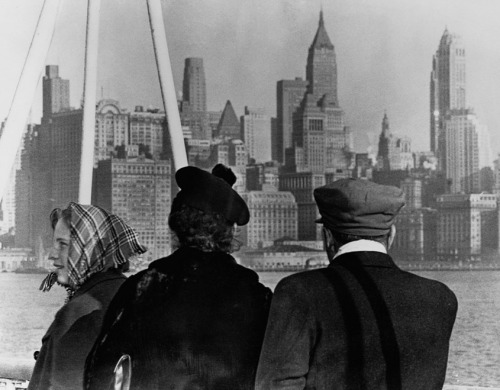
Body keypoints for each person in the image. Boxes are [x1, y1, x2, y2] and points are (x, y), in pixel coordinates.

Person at [256, 178, 458, 390]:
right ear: (392, 236)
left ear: (327, 238)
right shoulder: (440, 298)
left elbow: (275, 384)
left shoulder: (298, 292)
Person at [85, 165, 272, 390]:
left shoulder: (142, 288)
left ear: (176, 226)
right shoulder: (257, 297)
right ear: (229, 233)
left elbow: (100, 370)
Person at [28, 202, 147, 390]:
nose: (52, 255)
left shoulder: (76, 314)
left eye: (63, 245)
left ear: (89, 250)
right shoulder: (135, 295)